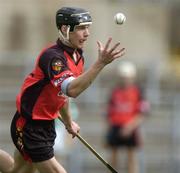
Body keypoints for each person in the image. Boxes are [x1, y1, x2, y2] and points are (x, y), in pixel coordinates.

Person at [0, 6, 125, 173]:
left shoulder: (77, 56)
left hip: (47, 125)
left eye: (88, 27)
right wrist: (100, 63)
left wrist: (68, 121)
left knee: (16, 171)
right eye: (81, 28)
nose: (87, 33)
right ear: (65, 29)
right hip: (30, 126)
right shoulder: (53, 58)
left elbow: (62, 95)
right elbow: (71, 90)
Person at [105, 61, 149, 173]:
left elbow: (142, 113)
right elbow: (109, 113)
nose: (125, 80)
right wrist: (108, 132)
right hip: (116, 126)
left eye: (127, 77)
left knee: (132, 158)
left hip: (131, 128)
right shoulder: (115, 91)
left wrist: (130, 127)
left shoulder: (138, 92)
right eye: (123, 77)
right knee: (113, 158)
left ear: (132, 77)